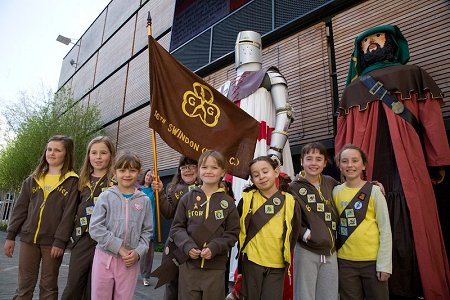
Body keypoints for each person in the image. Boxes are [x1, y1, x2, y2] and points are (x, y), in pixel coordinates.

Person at [335, 24, 450, 299]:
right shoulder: (352, 91)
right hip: (366, 167)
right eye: (365, 42)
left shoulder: (413, 75)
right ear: (359, 53)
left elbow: (431, 121)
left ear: (392, 43)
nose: (371, 44)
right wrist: (346, 169)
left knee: (413, 219)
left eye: (377, 38)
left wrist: (436, 161)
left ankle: (419, 287)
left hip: (409, 163)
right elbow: (343, 136)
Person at [219, 30, 295, 298]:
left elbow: (285, 113)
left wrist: (275, 151)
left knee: (270, 214)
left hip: (264, 149)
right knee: (238, 213)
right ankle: (236, 279)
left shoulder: (270, 76)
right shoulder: (226, 86)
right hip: (233, 157)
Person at [3, 135, 79, 299]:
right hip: (28, 240)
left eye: (57, 150)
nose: (52, 153)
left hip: (52, 243)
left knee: (48, 286)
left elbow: (69, 214)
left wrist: (60, 241)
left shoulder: (72, 181)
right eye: (49, 149)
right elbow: (20, 209)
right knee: (24, 286)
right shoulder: (33, 179)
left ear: (66, 154)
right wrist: (11, 236)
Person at [170, 150, 240, 300]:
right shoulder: (187, 198)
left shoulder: (228, 203)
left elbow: (232, 233)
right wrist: (187, 246)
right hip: (189, 267)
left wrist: (215, 247)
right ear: (199, 170)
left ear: (223, 172)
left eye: (214, 167)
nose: (209, 171)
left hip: (216, 268)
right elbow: (177, 228)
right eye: (204, 167)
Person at [89, 151, 152, 300]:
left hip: (130, 261)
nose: (127, 174)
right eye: (122, 170)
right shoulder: (106, 196)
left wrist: (138, 253)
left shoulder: (144, 200)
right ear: (114, 172)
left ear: (139, 172)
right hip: (104, 258)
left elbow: (147, 232)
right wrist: (119, 248)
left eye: (132, 170)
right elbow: (95, 228)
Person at [333, 144, 392, 300]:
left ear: (364, 165)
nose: (350, 165)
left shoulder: (374, 191)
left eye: (355, 160)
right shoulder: (335, 192)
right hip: (345, 262)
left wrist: (385, 264)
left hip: (373, 262)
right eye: (344, 161)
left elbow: (385, 228)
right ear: (339, 165)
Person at [237, 156, 300, 300]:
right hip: (252, 261)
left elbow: (294, 231)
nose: (262, 177)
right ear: (252, 180)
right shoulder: (247, 199)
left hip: (277, 263)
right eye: (256, 175)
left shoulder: (290, 201)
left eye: (265, 171)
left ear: (276, 172)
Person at [62, 136, 115, 300]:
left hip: (105, 240)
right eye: (94, 153)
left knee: (96, 287)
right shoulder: (81, 180)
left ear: (111, 155)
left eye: (103, 153)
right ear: (88, 156)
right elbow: (70, 210)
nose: (98, 157)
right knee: (74, 283)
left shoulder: (116, 181)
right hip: (82, 238)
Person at [289, 142, 339, 300]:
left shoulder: (330, 182)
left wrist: (372, 186)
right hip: (306, 250)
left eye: (318, 159)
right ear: (302, 161)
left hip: (331, 251)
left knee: (330, 296)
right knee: (305, 295)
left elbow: (349, 191)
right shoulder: (292, 188)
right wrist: (306, 234)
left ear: (325, 162)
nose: (313, 163)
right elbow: (288, 218)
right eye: (309, 158)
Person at [157, 155, 198, 300]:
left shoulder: (208, 189)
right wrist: (161, 193)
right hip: (175, 245)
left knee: (190, 287)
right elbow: (168, 213)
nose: (187, 170)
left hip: (197, 246)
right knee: (171, 285)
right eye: (183, 167)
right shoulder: (172, 188)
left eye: (192, 166)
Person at [139, 168, 158, 286]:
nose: (149, 177)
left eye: (151, 176)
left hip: (150, 224)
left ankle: (146, 276)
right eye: (147, 174)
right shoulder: (138, 190)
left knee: (149, 253)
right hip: (137, 225)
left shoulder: (154, 191)